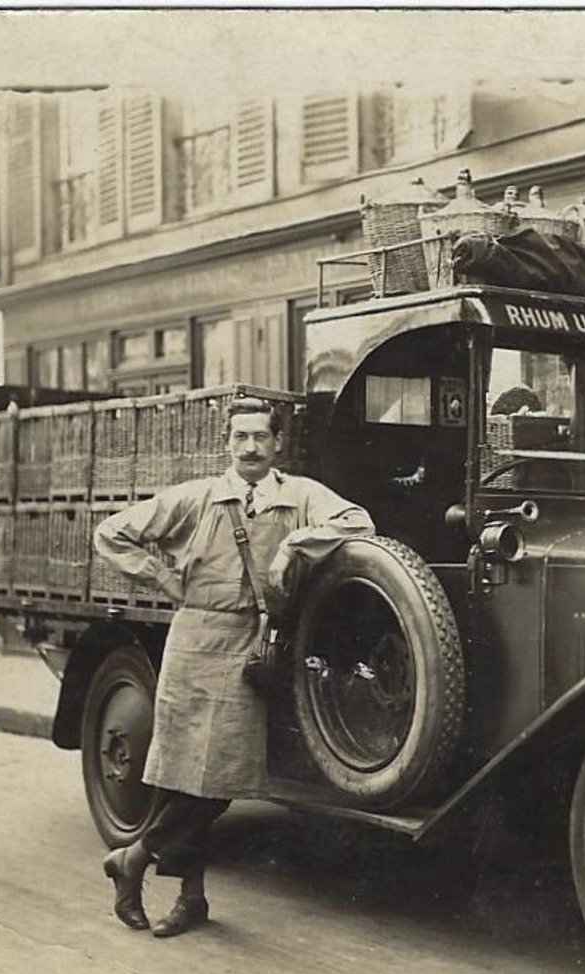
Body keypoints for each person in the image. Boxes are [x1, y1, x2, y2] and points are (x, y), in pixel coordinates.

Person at [92, 397, 374, 937]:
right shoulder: (197, 498)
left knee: (218, 778)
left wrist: (296, 542)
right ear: (227, 442)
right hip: (195, 642)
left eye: (260, 437)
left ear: (277, 443)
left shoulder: (299, 496)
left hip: (254, 645)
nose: (250, 447)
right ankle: (189, 898)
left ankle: (134, 858)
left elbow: (357, 522)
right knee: (183, 779)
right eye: (240, 437)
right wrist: (161, 577)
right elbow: (112, 534)